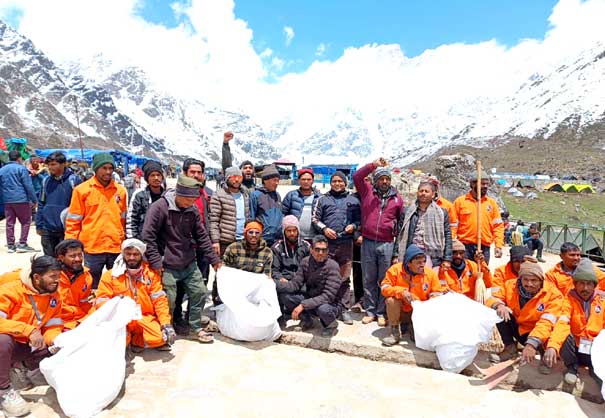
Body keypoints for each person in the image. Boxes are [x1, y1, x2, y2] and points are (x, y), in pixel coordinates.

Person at [142, 175, 221, 343]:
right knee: (168, 299)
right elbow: (148, 237)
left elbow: (201, 236)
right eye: (187, 199)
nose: (190, 203)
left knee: (199, 291)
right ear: (178, 193)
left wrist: (214, 260)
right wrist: (156, 262)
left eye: (193, 200)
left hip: (188, 261)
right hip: (166, 263)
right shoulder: (159, 208)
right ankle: (166, 329)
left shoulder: (192, 210)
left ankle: (194, 327)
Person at [0, 256, 63, 417]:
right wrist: (27, 330)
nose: (57, 281)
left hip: (29, 345)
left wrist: (55, 340)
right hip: (10, 343)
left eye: (58, 276)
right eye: (52, 276)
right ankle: (4, 391)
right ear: (36, 277)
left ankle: (20, 367)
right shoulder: (11, 290)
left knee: (65, 341)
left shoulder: (54, 296)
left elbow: (53, 325)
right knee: (2, 340)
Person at [95, 239, 175, 351]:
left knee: (159, 338)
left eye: (135, 254)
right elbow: (101, 301)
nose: (132, 258)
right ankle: (129, 339)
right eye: (128, 254)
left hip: (144, 317)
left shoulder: (151, 275)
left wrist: (165, 323)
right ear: (123, 254)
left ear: (141, 255)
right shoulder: (110, 275)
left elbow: (160, 301)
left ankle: (137, 340)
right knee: (119, 343)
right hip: (122, 319)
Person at [486, 259, 564, 373]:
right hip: (519, 328)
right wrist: (499, 305)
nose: (529, 284)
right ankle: (510, 348)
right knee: (497, 312)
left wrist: (532, 344)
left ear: (541, 280)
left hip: (539, 334)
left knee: (549, 331)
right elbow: (493, 298)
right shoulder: (510, 285)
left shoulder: (553, 295)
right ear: (520, 279)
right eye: (525, 280)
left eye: (534, 280)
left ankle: (545, 357)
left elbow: (546, 323)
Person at [353, 158, 404, 327]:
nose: (384, 181)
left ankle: (382, 312)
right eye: (381, 178)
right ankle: (370, 311)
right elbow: (357, 176)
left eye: (387, 179)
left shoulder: (397, 199)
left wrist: (396, 250)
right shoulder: (367, 192)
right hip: (367, 242)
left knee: (384, 279)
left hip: (387, 243)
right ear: (376, 180)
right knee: (368, 277)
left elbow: (400, 225)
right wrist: (374, 165)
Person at [65, 152, 127, 288]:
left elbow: (123, 219)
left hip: (115, 246)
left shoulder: (120, 191)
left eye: (111, 168)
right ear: (95, 169)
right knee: (90, 285)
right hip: (92, 247)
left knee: (117, 285)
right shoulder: (82, 190)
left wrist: (123, 239)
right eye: (104, 168)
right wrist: (71, 245)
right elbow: (73, 221)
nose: (108, 172)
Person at [312, 171, 361, 325]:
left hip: (346, 243)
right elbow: (315, 219)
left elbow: (360, 220)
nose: (337, 183)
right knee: (327, 276)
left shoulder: (353, 200)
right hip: (328, 245)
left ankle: (344, 309)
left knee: (344, 277)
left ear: (345, 183)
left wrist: (353, 226)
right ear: (331, 182)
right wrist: (325, 229)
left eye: (341, 181)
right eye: (334, 181)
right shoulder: (323, 199)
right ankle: (327, 307)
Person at [380, 244, 447, 346]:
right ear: (408, 263)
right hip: (401, 311)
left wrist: (427, 304)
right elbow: (384, 288)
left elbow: (437, 293)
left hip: (419, 313)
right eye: (418, 263)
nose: (422, 265)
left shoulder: (430, 274)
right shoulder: (395, 270)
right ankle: (395, 333)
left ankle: (413, 327)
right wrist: (401, 292)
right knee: (391, 300)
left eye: (424, 262)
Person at [276, 235, 342, 337]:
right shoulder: (305, 262)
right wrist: (274, 284)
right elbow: (294, 285)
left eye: (324, 250)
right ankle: (308, 320)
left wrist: (303, 305)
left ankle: (331, 324)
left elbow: (328, 296)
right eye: (317, 249)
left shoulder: (333, 266)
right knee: (286, 296)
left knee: (323, 309)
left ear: (327, 251)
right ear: (311, 250)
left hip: (330, 304)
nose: (321, 253)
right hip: (311, 298)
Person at [555, 259, 605, 385]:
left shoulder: (602, 300)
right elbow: (562, 322)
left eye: (589, 284)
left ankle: (596, 368)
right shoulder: (568, 300)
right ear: (575, 284)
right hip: (575, 347)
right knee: (563, 333)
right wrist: (552, 346)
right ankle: (572, 368)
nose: (585, 288)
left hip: (595, 348)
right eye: (581, 283)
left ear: (595, 285)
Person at [396, 180, 452, 269]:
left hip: (433, 256)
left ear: (433, 194)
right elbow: (399, 235)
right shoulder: (408, 211)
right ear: (417, 193)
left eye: (426, 191)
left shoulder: (441, 213)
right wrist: (395, 255)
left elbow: (447, 236)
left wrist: (447, 259)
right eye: (421, 191)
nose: (423, 193)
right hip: (411, 254)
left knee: (429, 282)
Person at [35, 152, 82, 256]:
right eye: (49, 165)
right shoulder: (46, 181)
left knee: (65, 260)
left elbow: (80, 207)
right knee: (49, 261)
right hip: (47, 229)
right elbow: (41, 203)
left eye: (53, 164)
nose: (50, 167)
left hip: (65, 230)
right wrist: (39, 224)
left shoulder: (73, 180)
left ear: (63, 164)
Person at [453, 170, 504, 264]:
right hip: (465, 247)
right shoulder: (460, 202)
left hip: (484, 248)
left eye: (487, 184)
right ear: (473, 184)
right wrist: (452, 243)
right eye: (482, 184)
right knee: (466, 275)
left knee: (482, 274)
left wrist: (498, 245)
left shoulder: (491, 203)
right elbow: (452, 225)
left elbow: (498, 226)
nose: (485, 186)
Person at [0, 150, 38, 253]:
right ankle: (22, 243)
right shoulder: (21, 169)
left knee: (10, 223)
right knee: (25, 222)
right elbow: (28, 185)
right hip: (21, 199)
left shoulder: (2, 170)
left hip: (7, 200)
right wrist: (34, 200)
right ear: (19, 158)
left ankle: (11, 246)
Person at [272, 216, 311, 314]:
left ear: (298, 230)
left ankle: (306, 314)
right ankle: (281, 315)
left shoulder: (306, 246)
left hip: (302, 282)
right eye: (289, 230)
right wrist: (280, 277)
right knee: (281, 293)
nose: (292, 233)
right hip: (286, 282)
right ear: (284, 231)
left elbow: (311, 268)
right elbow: (274, 270)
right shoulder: (277, 247)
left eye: (294, 230)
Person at [209, 166, 250, 257]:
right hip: (226, 242)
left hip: (243, 241)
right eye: (233, 177)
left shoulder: (245, 195)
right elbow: (213, 220)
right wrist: (215, 241)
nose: (236, 180)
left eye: (239, 177)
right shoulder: (218, 195)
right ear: (227, 178)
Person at [55, 239, 93, 330]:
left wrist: (91, 318)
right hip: (57, 322)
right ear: (61, 257)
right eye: (72, 256)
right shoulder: (51, 276)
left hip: (79, 319)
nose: (78, 259)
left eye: (80, 255)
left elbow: (85, 304)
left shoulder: (87, 277)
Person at [126, 160, 165, 240]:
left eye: (158, 175)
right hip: (143, 241)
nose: (156, 178)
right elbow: (132, 219)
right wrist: (134, 241)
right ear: (147, 178)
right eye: (152, 175)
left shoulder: (167, 195)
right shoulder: (139, 195)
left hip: (163, 243)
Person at [282, 168, 321, 240]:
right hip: (295, 238)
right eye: (303, 179)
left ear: (313, 181)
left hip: (315, 238)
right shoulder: (291, 195)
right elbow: (283, 214)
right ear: (299, 180)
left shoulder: (319, 197)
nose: (306, 182)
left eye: (309, 179)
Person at [249, 165, 283, 247]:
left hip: (277, 239)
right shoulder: (256, 195)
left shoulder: (277, 195)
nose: (277, 183)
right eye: (274, 180)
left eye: (278, 180)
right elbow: (251, 217)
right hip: (262, 238)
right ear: (265, 180)